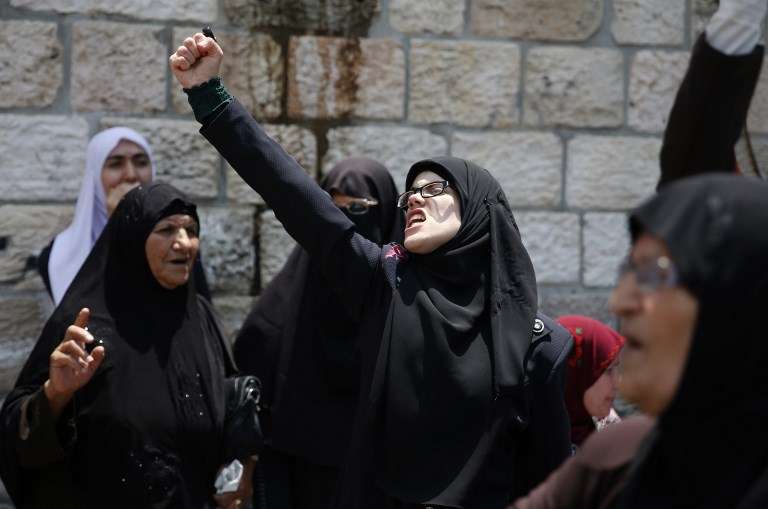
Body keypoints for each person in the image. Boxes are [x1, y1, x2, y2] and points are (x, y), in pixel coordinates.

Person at [170, 34, 572, 508]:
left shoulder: (538, 346)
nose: (415, 199)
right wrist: (210, 97)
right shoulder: (387, 285)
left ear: (480, 210)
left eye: (434, 187)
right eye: (409, 193)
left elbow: (550, 484)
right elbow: (297, 198)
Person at [513, 174, 768, 508]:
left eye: (654, 274)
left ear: (739, 298)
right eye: (628, 271)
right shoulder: (619, 457)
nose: (619, 301)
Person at [0, 183, 250, 508]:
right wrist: (56, 395)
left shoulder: (201, 320)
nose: (184, 243)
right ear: (133, 240)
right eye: (167, 229)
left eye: (191, 229)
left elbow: (233, 407)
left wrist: (241, 468)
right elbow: (16, 439)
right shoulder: (85, 330)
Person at [233, 157, 401, 508]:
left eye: (357, 207)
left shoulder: (408, 310)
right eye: (331, 206)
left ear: (384, 215)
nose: (343, 219)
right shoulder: (275, 316)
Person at [37, 127, 211, 305]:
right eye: (115, 164)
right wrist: (118, 225)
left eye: (141, 162)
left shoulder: (177, 242)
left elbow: (195, 312)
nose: (131, 175)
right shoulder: (59, 256)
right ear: (96, 176)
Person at [556, 316, 624, 449]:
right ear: (575, 375)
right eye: (608, 371)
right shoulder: (537, 448)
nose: (617, 383)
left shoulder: (609, 428)